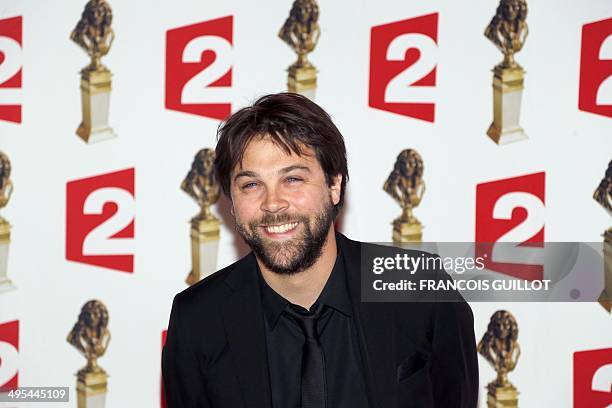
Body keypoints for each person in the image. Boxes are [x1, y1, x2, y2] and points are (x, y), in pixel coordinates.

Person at [162, 93, 478, 408]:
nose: (273, 203)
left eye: (294, 179)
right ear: (231, 201)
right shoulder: (198, 320)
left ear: (334, 185)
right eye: (251, 185)